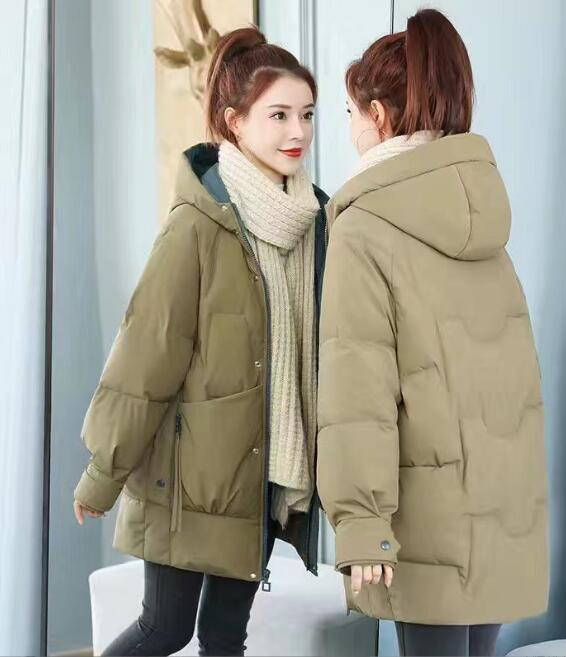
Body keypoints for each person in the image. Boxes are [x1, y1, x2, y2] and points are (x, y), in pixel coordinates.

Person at [73, 26, 328, 656]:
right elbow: (146, 355)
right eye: (278, 115)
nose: (297, 131)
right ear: (234, 122)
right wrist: (104, 472)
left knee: (222, 636)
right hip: (188, 480)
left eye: (306, 114)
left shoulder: (314, 223)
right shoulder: (197, 226)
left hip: (263, 470)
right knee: (164, 628)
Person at [316, 9, 549, 657]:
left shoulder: (365, 226)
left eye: (349, 112)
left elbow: (357, 392)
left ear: (378, 115)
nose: (350, 128)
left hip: (425, 521)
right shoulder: (484, 216)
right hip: (500, 511)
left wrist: (361, 522)